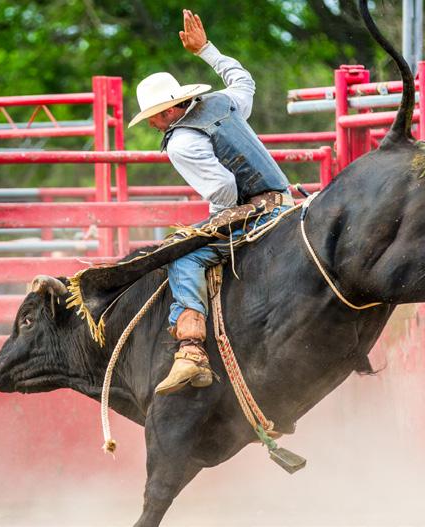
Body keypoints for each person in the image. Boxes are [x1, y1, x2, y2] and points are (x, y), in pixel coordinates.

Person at [128, 9, 293, 395]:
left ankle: (190, 350)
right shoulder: (223, 102)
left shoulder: (181, 142)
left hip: (253, 213)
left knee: (184, 256)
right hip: (283, 202)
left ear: (170, 111)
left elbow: (222, 190)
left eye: (154, 116)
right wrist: (206, 50)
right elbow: (243, 80)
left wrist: (212, 225)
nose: (152, 123)